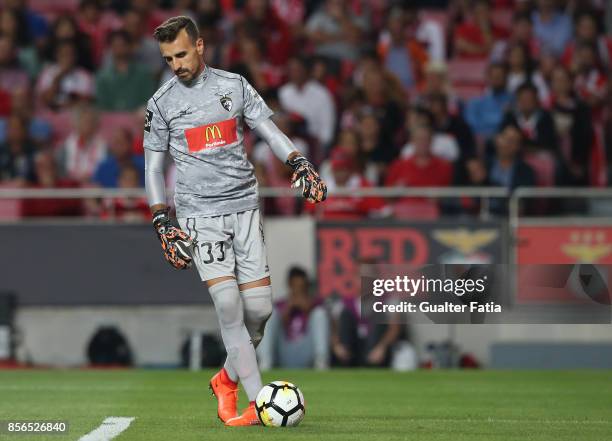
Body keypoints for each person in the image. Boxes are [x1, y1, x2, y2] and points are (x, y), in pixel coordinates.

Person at [143, 16, 326, 427]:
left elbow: (268, 130)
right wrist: (160, 218)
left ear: (201, 46)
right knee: (228, 304)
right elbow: (153, 169)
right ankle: (261, 404)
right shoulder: (161, 104)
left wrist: (298, 161)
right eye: (169, 58)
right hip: (199, 216)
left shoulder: (234, 86)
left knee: (259, 312)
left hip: (244, 208)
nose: (176, 64)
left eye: (182, 54)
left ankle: (226, 379)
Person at [257, 266, 330, 370]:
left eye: (302, 286)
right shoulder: (280, 305)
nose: (298, 290)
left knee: (320, 314)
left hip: (307, 350)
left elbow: (326, 326)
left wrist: (308, 309)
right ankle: (265, 363)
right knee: (269, 314)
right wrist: (289, 309)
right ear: (289, 285)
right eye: (295, 286)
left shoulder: (316, 303)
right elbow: (276, 330)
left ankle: (321, 362)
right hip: (285, 350)